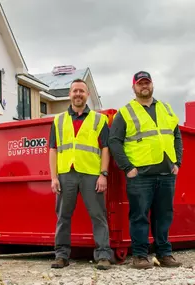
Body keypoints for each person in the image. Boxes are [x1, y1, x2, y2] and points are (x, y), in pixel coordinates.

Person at [108, 71, 183, 269]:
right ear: (133, 87)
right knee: (139, 216)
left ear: (152, 85)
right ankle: (140, 256)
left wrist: (178, 162)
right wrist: (128, 168)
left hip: (166, 172)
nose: (144, 86)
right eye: (140, 83)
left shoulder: (166, 109)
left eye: (147, 83)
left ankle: (164, 254)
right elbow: (114, 142)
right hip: (140, 175)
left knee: (164, 214)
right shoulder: (125, 112)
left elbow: (176, 135)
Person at [49, 78, 113, 270]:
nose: (78, 94)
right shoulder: (58, 120)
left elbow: (105, 149)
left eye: (82, 91)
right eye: (75, 91)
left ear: (88, 95)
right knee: (63, 216)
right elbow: (53, 149)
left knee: (98, 215)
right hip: (66, 174)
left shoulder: (99, 119)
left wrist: (103, 175)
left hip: (91, 175)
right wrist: (54, 177)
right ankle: (61, 256)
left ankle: (103, 255)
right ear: (70, 94)